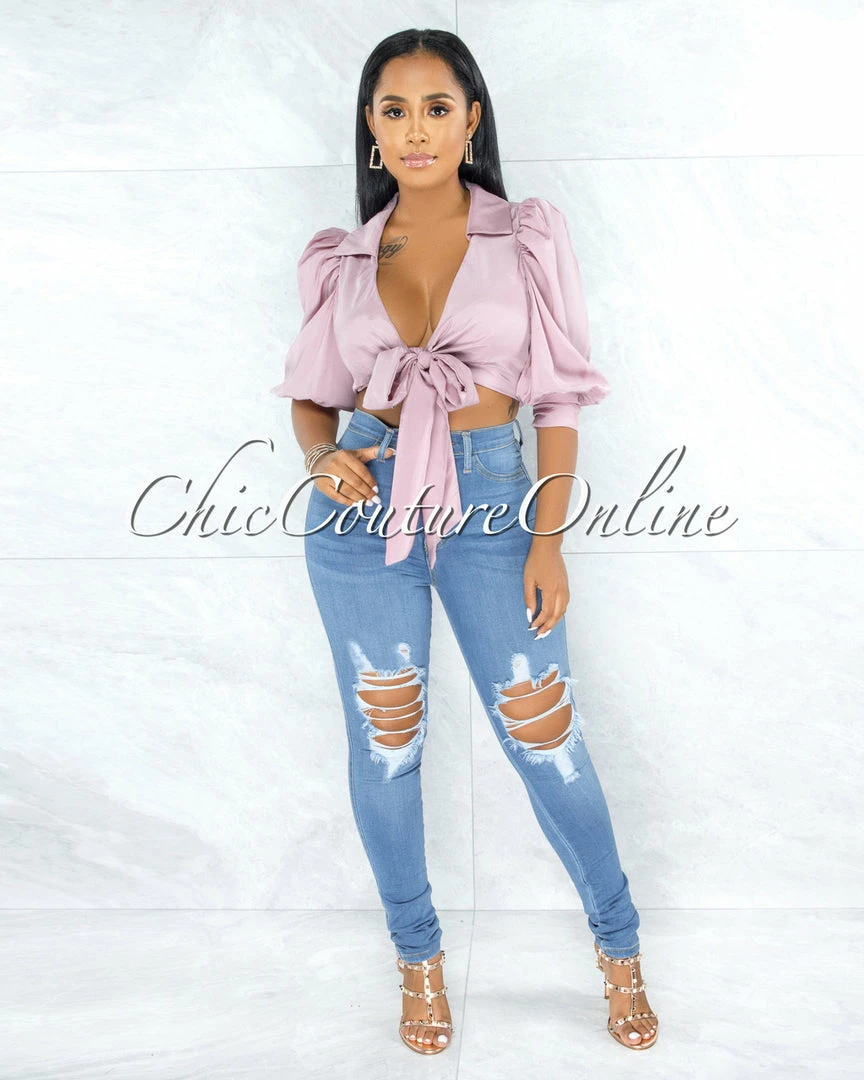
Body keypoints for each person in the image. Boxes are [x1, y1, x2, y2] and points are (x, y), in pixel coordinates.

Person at [271, 29, 659, 1055]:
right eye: (393, 109)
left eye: (436, 108)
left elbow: (560, 399)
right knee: (386, 745)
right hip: (360, 514)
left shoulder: (522, 237)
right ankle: (418, 961)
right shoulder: (345, 256)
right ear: (370, 126)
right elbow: (312, 396)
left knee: (545, 736)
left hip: (492, 502)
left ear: (472, 119)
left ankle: (619, 947)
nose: (416, 130)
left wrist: (547, 540)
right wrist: (320, 457)